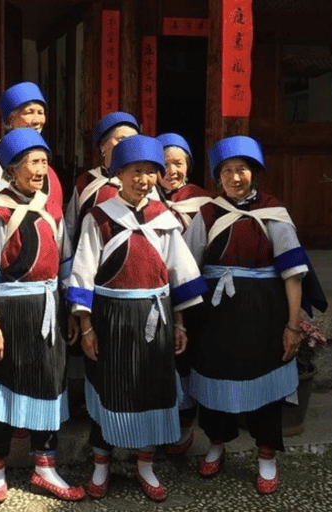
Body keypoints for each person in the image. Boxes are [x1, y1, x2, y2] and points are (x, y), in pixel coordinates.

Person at [68, 134, 207, 502]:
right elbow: (82, 273)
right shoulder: (99, 218)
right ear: (119, 174)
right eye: (135, 171)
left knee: (152, 389)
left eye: (150, 172)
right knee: (109, 388)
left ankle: (146, 465)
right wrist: (86, 327)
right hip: (111, 318)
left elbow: (179, 274)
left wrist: (179, 323)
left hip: (156, 319)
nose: (143, 179)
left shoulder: (166, 220)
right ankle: (101, 465)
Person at [183, 135, 321, 495]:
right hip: (214, 317)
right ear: (218, 177)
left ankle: (266, 454)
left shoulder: (273, 213)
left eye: (242, 169)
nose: (235, 177)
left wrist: (293, 326)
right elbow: (185, 266)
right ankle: (216, 443)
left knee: (264, 384)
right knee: (214, 378)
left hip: (264, 315)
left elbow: (293, 274)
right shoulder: (207, 214)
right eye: (226, 171)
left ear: (254, 172)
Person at [0, 128, 84, 504]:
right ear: (13, 169)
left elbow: (65, 261)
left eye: (44, 162)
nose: (40, 169)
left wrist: (69, 309)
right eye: (33, 162)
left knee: (49, 384)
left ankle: (45, 467)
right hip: (10, 311)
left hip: (49, 307)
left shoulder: (50, 210)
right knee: (4, 386)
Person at [155, 132, 212, 456]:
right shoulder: (144, 199)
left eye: (178, 163)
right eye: (164, 164)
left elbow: (200, 253)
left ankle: (186, 423)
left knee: (185, 360)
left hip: (189, 295)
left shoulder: (202, 202)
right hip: (152, 296)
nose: (171, 170)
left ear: (188, 165)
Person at [0, 81, 63, 209]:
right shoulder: (2, 151)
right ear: (11, 120)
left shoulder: (40, 149)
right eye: (29, 112)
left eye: (40, 113)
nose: (37, 121)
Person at [64, 111, 140, 245]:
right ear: (102, 145)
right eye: (121, 139)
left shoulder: (145, 182)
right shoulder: (86, 182)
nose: (128, 145)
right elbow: (70, 227)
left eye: (133, 140)